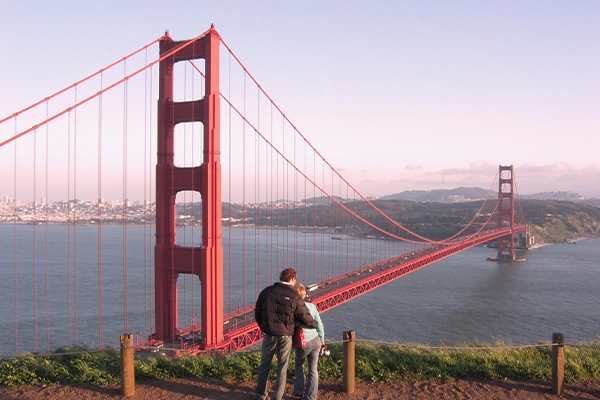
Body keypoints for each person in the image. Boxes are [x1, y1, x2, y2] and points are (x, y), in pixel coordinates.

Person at [254, 268, 318, 400]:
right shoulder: (294, 296)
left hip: (269, 334)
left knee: (264, 365)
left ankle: (260, 395)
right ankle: (277, 397)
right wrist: (314, 324)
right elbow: (304, 317)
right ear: (293, 279)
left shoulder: (266, 292)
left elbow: (257, 312)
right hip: (285, 337)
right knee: (281, 368)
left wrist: (264, 327)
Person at [292, 283, 325, 400]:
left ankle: (298, 391)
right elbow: (320, 325)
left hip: (303, 343)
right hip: (316, 340)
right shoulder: (312, 306)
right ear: (304, 294)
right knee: (313, 369)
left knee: (299, 364)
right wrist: (322, 340)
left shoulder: (294, 308)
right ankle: (311, 397)